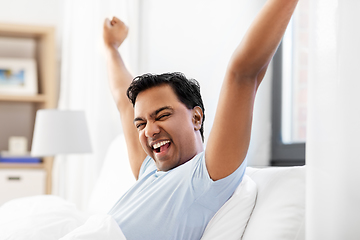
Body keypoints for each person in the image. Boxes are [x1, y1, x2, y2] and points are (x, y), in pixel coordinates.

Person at [103, 0, 299, 239]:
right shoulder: (148, 171)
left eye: (162, 115)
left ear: (196, 117)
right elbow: (124, 104)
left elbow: (243, 73)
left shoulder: (204, 178)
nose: (149, 131)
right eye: (141, 124)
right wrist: (111, 47)